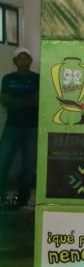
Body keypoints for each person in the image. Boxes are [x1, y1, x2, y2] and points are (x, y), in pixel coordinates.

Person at [0, 47, 39, 210]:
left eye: (26, 58)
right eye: (20, 58)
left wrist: (15, 100)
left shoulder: (37, 79)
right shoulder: (8, 79)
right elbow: (5, 101)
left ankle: (23, 199)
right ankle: (1, 197)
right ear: (15, 61)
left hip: (31, 128)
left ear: (30, 61)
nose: (23, 61)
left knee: (28, 167)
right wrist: (27, 100)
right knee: (3, 163)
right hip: (12, 127)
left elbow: (37, 101)